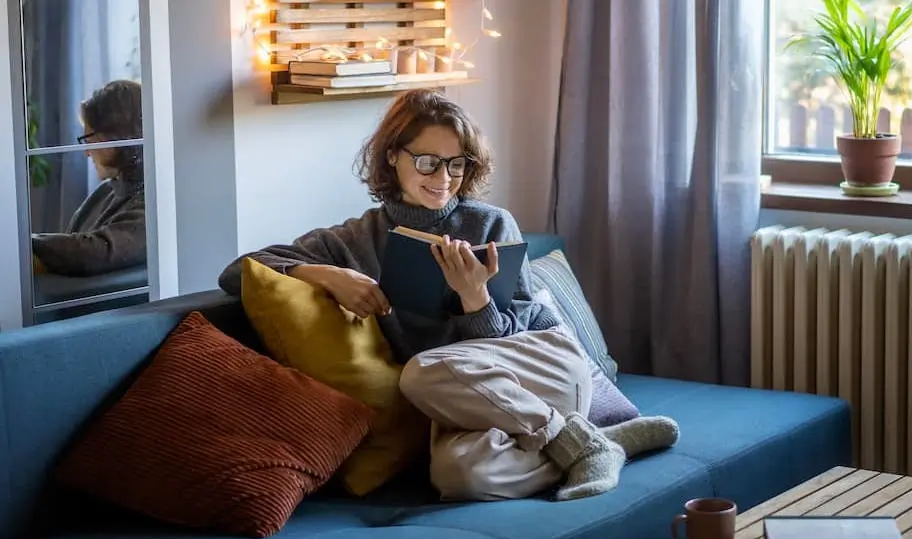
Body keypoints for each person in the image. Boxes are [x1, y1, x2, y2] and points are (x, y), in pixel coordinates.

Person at [217, 89, 679, 502]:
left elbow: (526, 328)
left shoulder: (491, 224)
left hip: (543, 370)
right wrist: (326, 275)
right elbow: (238, 272)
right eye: (428, 162)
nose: (444, 177)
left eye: (457, 164)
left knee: (419, 373)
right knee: (458, 476)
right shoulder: (355, 241)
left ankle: (580, 441)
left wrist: (476, 300)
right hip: (469, 403)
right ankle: (598, 445)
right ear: (393, 157)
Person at [32, 79, 147, 277]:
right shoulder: (106, 191)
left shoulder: (153, 201)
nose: (86, 152)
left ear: (116, 136)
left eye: (89, 139)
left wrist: (20, 244)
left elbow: (95, 251)